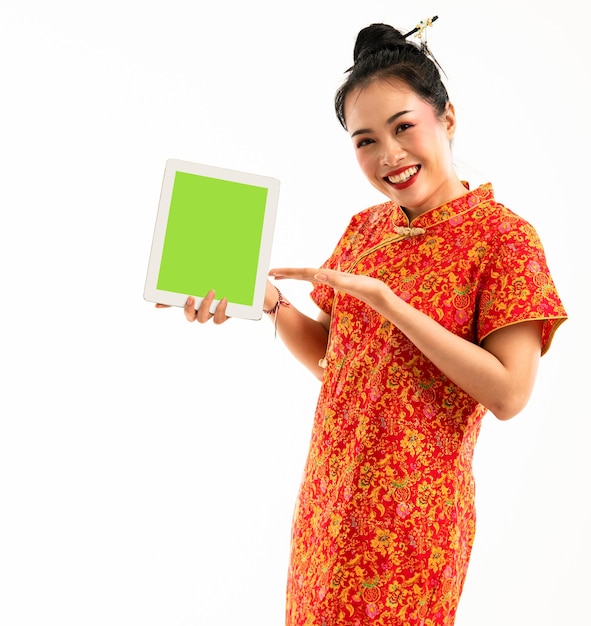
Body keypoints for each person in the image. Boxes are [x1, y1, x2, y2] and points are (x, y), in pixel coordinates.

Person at [159, 19, 567, 626]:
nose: (389, 156)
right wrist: (269, 303)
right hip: (328, 498)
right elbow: (335, 360)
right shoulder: (365, 230)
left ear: (446, 119)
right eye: (365, 140)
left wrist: (390, 304)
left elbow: (509, 394)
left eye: (404, 127)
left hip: (412, 523)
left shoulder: (503, 239)